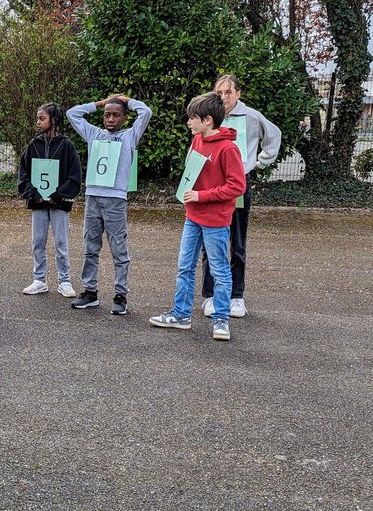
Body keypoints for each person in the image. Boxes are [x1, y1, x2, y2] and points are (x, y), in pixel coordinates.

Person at [149, 92, 245, 341]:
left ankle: (221, 320)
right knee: (185, 267)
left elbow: (237, 187)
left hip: (216, 221)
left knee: (220, 270)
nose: (189, 122)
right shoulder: (197, 142)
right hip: (192, 217)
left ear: (208, 120)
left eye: (193, 118)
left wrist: (201, 196)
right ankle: (181, 314)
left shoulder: (228, 149)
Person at [202, 74, 281, 318]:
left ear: (238, 94)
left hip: (238, 185)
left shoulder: (252, 117)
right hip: (213, 184)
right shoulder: (210, 115)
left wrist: (259, 163)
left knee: (236, 241)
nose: (224, 97)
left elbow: (274, 135)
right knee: (211, 241)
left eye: (228, 92)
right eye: (220, 92)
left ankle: (236, 296)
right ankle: (210, 294)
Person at [66, 92, 152, 314]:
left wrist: (128, 101)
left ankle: (120, 294)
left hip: (115, 200)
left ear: (124, 118)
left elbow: (146, 112)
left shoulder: (129, 136)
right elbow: (72, 113)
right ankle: (90, 291)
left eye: (116, 115)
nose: (111, 119)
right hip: (93, 197)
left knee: (118, 248)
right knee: (90, 246)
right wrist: (99, 103)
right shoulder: (94, 134)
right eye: (107, 115)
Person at [17, 102, 81, 297]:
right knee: (38, 241)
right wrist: (32, 193)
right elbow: (23, 173)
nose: (38, 122)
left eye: (42, 118)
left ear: (53, 120)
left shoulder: (66, 145)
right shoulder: (33, 145)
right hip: (38, 204)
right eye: (37, 118)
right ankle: (39, 279)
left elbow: (74, 175)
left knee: (61, 242)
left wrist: (58, 195)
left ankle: (65, 280)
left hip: (58, 204)